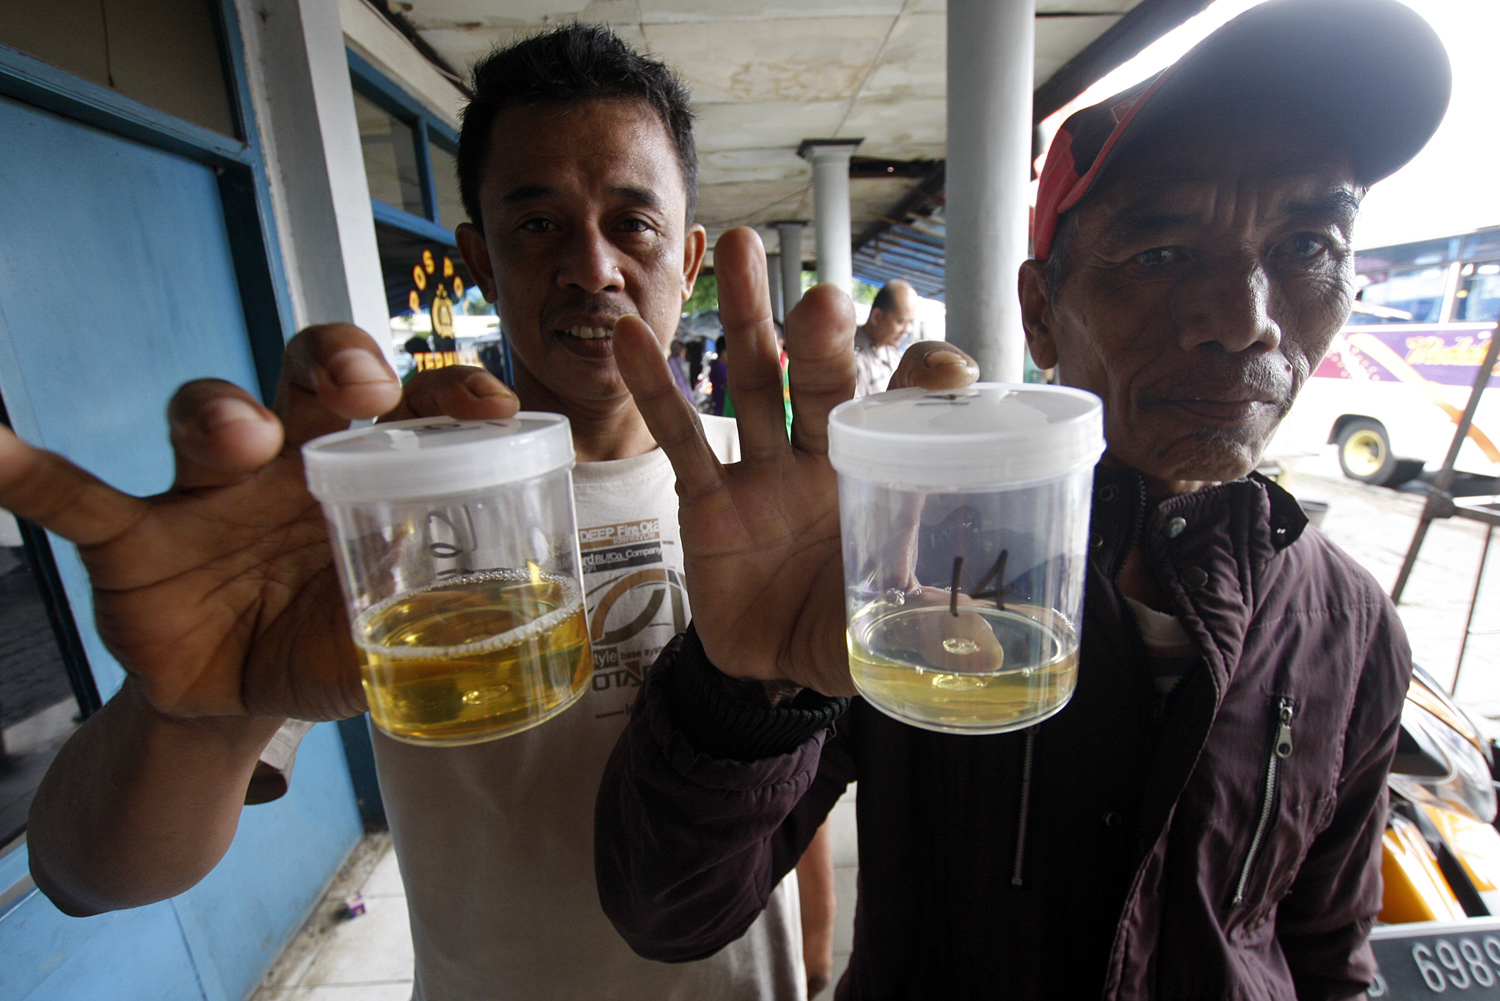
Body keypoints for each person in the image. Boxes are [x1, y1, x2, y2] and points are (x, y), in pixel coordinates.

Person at [7, 23, 981, 1001]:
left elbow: (793, 773)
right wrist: (195, 711)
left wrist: (811, 953)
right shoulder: (386, 506)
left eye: (632, 223)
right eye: (538, 223)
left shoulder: (786, 501)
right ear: (477, 256)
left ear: (689, 258)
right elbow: (86, 875)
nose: (591, 265)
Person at [592, 1, 1451, 998]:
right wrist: (743, 689)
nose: (1245, 317)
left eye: (1306, 243)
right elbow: (671, 908)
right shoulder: (915, 567)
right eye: (1162, 253)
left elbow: (1326, 950)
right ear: (1041, 311)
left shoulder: (1352, 628)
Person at [852, 279, 918, 397]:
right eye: (901, 321)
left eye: (911, 322)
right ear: (876, 317)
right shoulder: (855, 359)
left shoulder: (890, 348)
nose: (907, 330)